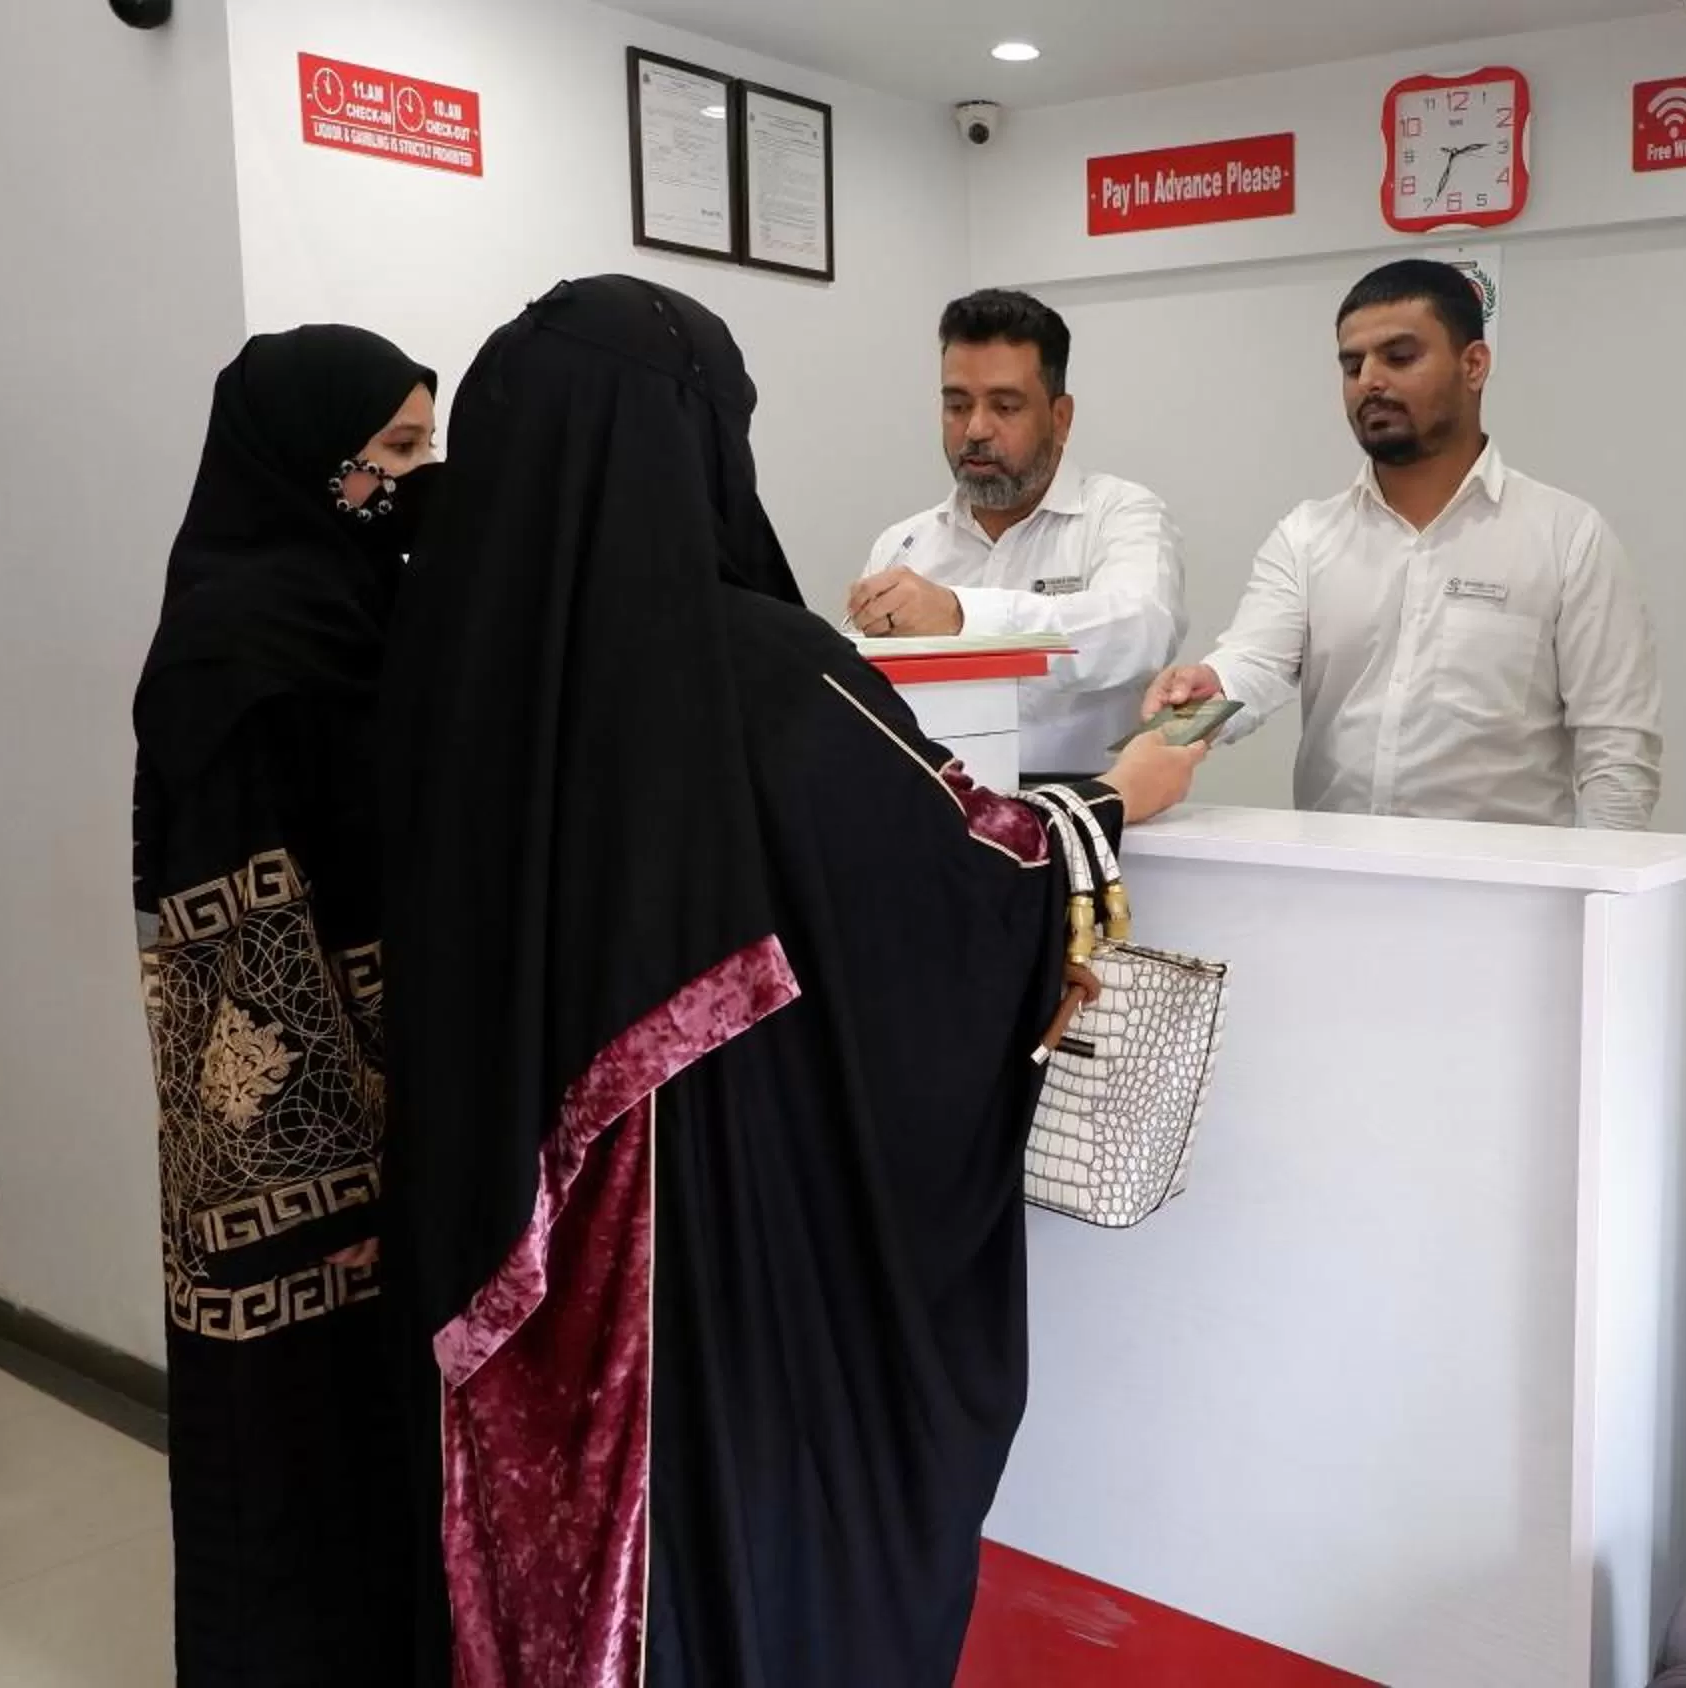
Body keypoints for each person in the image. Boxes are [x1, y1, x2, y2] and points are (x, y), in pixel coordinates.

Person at [380, 276, 1206, 1686]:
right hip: (708, 1258)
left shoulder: (447, 657)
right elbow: (958, 885)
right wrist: (1109, 805)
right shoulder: (754, 670)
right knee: (713, 1565)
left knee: (532, 1549)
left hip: (507, 1249)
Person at [131, 324, 440, 1685]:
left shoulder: (357, 611)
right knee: (287, 1408)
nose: (414, 484)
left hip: (383, 1099)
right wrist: (342, 1101)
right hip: (274, 1122)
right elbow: (238, 921)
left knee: (373, 1414)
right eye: (392, 454)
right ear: (306, 461)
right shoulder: (234, 645)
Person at [1148, 259, 1665, 828]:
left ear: (1473, 366)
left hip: (1507, 899)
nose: (1369, 380)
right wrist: (1204, 694)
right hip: (1341, 884)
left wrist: (1601, 905)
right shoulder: (1306, 535)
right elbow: (1254, 662)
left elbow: (1616, 750)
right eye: (1352, 364)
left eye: (1399, 357)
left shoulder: (1567, 537)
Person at [847, 288, 1185, 782]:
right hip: (939, 823)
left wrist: (962, 617)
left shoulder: (1120, 513)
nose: (976, 429)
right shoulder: (903, 545)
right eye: (957, 405)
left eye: (1005, 407)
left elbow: (1138, 631)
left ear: (1061, 417)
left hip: (1091, 817)